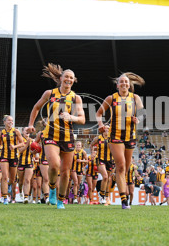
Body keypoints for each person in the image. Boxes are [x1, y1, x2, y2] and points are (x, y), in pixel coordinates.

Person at [26, 64, 85, 209]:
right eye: (66, 77)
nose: (68, 80)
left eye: (71, 78)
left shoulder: (76, 98)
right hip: (51, 134)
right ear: (61, 78)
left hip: (68, 137)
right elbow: (36, 107)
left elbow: (82, 119)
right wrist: (31, 124)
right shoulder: (50, 93)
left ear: (73, 80)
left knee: (65, 173)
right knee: (54, 165)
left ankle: (60, 200)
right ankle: (52, 188)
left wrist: (71, 117)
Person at [96, 72, 145, 210]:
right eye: (121, 82)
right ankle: (124, 200)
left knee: (125, 168)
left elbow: (143, 113)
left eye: (126, 82)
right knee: (121, 166)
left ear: (129, 85)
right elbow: (99, 113)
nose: (124, 84)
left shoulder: (135, 98)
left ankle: (122, 197)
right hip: (115, 136)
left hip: (130, 137)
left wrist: (138, 119)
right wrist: (100, 125)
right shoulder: (111, 98)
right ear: (117, 85)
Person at [0, 115, 24, 205]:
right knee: (4, 177)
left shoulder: (16, 131)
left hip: (14, 157)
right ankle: (5, 197)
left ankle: (8, 186)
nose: (11, 122)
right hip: (4, 157)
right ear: (4, 122)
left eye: (12, 120)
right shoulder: (1, 133)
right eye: (9, 120)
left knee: (12, 180)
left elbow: (22, 144)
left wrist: (14, 146)